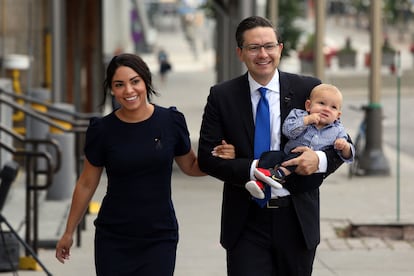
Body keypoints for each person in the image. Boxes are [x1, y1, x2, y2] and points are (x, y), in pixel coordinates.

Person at [55, 53, 235, 275]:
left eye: (135, 81)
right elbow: (86, 183)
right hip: (113, 236)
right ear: (111, 89)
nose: (129, 91)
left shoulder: (170, 121)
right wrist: (68, 232)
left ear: (146, 81)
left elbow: (190, 166)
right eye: (119, 85)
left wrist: (219, 160)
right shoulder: (102, 130)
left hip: (159, 235)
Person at [198, 16, 349, 275]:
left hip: (296, 218)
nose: (263, 54)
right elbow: (206, 157)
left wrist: (319, 161)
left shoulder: (308, 89)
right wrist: (253, 167)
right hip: (246, 220)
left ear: (280, 48)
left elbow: (342, 141)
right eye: (254, 47)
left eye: (269, 46)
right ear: (240, 53)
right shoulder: (222, 96)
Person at [246, 83, 355, 199]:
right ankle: (261, 184)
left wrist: (345, 147)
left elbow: (347, 155)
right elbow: (287, 131)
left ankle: (280, 179)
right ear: (308, 105)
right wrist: (306, 120)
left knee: (309, 178)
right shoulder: (298, 115)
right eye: (321, 103)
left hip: (308, 171)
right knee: (269, 157)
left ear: (338, 115)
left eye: (333, 107)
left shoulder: (338, 130)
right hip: (286, 155)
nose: (326, 109)